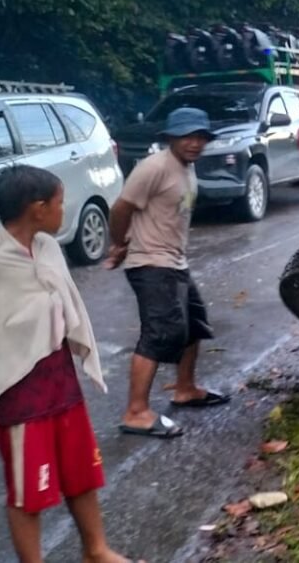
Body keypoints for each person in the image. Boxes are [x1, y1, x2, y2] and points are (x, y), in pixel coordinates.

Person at [0, 166, 134, 562]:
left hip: (58, 378)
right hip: (16, 389)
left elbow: (66, 304)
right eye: (59, 202)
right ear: (37, 209)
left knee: (80, 469)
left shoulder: (48, 249)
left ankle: (96, 549)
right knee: (28, 488)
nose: (64, 208)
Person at [107, 107, 228, 439]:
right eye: (187, 136)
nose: (194, 143)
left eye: (200, 136)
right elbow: (121, 208)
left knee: (193, 324)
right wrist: (118, 243)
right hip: (150, 263)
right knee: (160, 333)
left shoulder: (185, 167)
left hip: (174, 262)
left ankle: (185, 389)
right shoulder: (154, 167)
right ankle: (136, 412)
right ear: (171, 137)